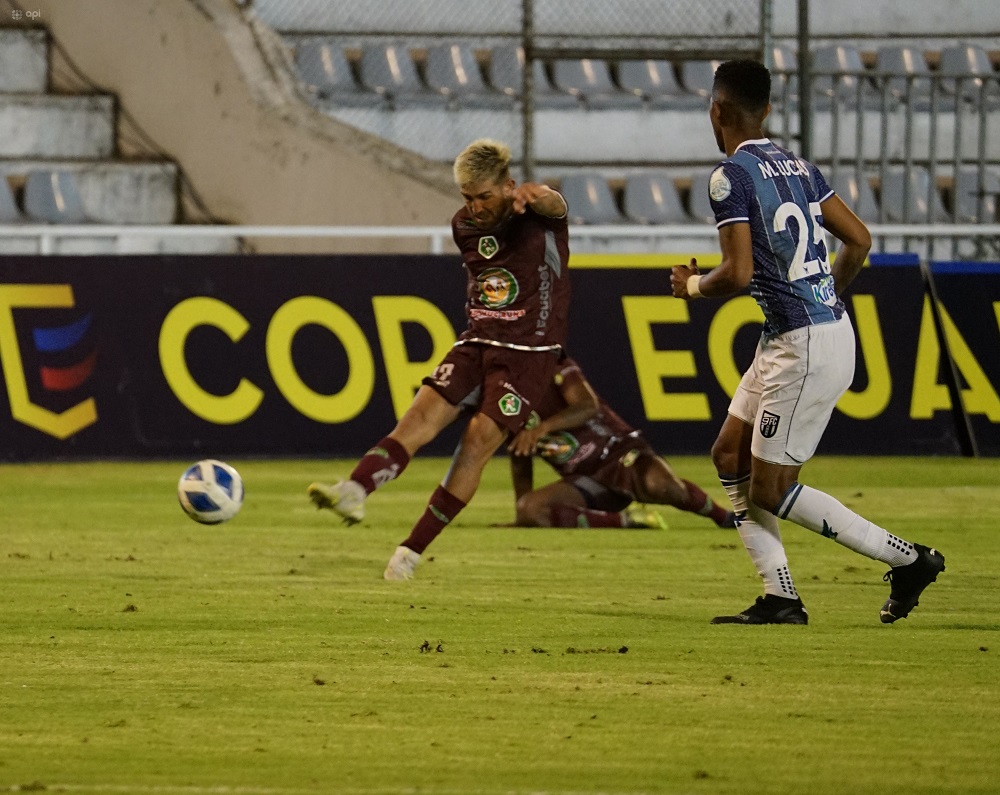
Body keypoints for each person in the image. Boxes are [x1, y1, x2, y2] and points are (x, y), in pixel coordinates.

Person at [670, 59, 945, 625]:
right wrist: (826, 299)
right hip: (803, 334)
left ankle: (910, 559)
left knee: (769, 488)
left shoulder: (731, 177)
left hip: (801, 345)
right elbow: (860, 240)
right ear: (766, 110)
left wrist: (692, 287)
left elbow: (738, 272)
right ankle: (780, 596)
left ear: (716, 110)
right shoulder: (799, 167)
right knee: (728, 454)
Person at [308, 138, 571, 580]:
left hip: (528, 355)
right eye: (467, 197)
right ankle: (355, 490)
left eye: (484, 196)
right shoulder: (464, 226)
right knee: (417, 419)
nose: (475, 207)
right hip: (477, 340)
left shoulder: (539, 217)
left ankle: (409, 552)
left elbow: (556, 204)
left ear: (508, 186)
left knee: (474, 445)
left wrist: (539, 193)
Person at [507, 356, 735, 531]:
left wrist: (541, 429)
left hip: (619, 452)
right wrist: (521, 513)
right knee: (532, 509)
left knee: (663, 487)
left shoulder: (552, 363)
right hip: (585, 479)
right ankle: (628, 521)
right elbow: (519, 452)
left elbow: (587, 406)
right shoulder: (504, 399)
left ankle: (724, 517)